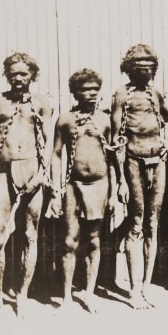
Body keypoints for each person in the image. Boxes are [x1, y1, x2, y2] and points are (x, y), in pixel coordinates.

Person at [0, 52, 54, 317]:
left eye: (24, 73)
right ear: (7, 75)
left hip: (33, 170)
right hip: (5, 171)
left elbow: (48, 142)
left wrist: (42, 174)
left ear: (32, 75)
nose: (19, 78)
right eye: (14, 74)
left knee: (30, 235)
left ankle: (22, 296)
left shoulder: (42, 103)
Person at [111, 45, 168, 309]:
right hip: (133, 164)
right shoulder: (121, 95)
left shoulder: (155, 93)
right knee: (136, 223)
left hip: (157, 163)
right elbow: (116, 139)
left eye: (150, 66)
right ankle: (134, 290)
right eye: (140, 66)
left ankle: (147, 285)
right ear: (130, 67)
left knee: (152, 223)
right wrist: (121, 180)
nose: (146, 70)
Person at [49, 69, 117, 313]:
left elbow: (113, 158)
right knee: (69, 241)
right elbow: (56, 156)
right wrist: (56, 191)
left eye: (94, 90)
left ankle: (88, 293)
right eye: (84, 90)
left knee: (94, 240)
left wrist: (115, 191)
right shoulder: (66, 120)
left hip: (100, 186)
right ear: (75, 92)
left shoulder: (106, 120)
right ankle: (67, 296)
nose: (90, 94)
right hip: (73, 185)